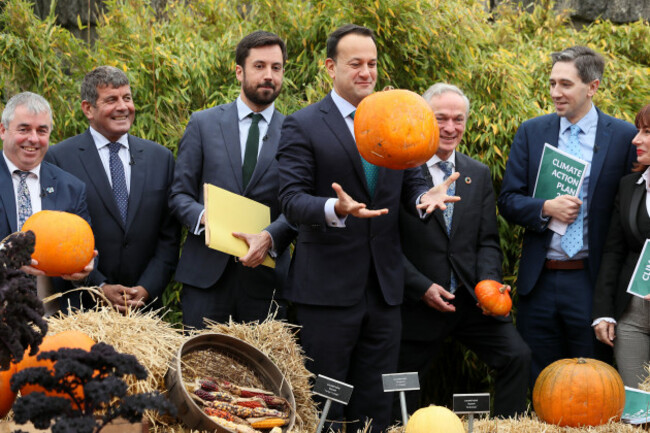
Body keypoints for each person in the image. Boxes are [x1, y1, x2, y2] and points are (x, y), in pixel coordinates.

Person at [276, 24, 458, 432]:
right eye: (355, 63)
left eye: (372, 64)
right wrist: (333, 207)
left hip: (385, 291)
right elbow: (289, 198)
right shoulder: (303, 125)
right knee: (324, 403)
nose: (366, 72)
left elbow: (411, 180)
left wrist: (423, 198)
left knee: (376, 405)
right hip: (326, 291)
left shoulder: (396, 117)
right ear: (330, 67)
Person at [498, 46, 637, 383]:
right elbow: (508, 200)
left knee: (594, 381)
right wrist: (544, 208)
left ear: (593, 86)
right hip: (540, 280)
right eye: (551, 84)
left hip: (591, 282)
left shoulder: (621, 136)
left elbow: (630, 208)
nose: (555, 93)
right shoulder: (532, 132)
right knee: (541, 380)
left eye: (565, 85)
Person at [398, 83, 530, 418]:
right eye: (440, 118)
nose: (450, 127)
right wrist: (421, 287)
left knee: (517, 356)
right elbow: (386, 245)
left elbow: (487, 240)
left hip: (470, 300)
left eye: (458, 119)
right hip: (417, 302)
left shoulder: (478, 173)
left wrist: (489, 287)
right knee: (400, 383)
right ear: (424, 120)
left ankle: (505, 427)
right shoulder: (400, 171)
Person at [168, 31, 296, 328]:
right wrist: (208, 219)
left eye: (276, 68)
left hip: (266, 286)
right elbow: (178, 195)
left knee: (262, 373)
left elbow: (298, 204)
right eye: (259, 66)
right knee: (200, 372)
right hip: (205, 280)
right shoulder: (203, 123)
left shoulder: (296, 132)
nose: (269, 75)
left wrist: (270, 238)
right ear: (240, 71)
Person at [45, 66, 180, 312]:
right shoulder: (59, 159)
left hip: (145, 312)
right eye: (111, 100)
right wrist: (99, 286)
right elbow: (58, 238)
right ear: (88, 109)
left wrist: (147, 288)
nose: (123, 107)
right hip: (83, 309)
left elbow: (169, 237)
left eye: (127, 98)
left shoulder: (161, 158)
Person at [0, 92, 94, 282]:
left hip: (53, 308)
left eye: (41, 131)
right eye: (24, 129)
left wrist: (86, 267)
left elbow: (83, 245)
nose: (33, 139)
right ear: (3, 130)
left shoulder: (72, 188)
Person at [592, 103, 650, 387]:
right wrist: (603, 311)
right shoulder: (630, 185)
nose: (635, 139)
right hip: (632, 318)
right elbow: (614, 250)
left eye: (647, 132)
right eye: (638, 130)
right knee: (638, 410)